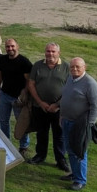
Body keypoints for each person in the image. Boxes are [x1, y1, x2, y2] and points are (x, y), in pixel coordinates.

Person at [60, 58, 97, 191]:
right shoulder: (70, 79)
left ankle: (80, 180)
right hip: (67, 121)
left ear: (85, 67)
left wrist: (89, 124)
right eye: (72, 67)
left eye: (78, 67)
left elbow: (96, 106)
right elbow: (65, 97)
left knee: (79, 152)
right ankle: (75, 173)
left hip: (79, 124)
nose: (74, 69)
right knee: (70, 149)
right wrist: (61, 115)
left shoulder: (90, 83)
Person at [27, 42, 71, 172]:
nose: (50, 54)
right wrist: (40, 103)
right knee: (42, 133)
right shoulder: (38, 65)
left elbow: (70, 89)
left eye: (53, 51)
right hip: (40, 107)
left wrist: (57, 105)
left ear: (59, 53)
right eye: (48, 51)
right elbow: (31, 85)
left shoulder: (67, 67)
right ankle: (40, 155)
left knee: (59, 134)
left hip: (59, 109)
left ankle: (60, 159)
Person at [0, 38, 33, 156]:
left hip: (18, 99)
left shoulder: (24, 62)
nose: (10, 48)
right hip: (4, 95)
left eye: (12, 46)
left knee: (21, 123)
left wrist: (25, 92)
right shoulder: (2, 60)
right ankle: (6, 143)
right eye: (8, 46)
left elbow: (29, 80)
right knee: (3, 121)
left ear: (17, 46)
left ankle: (23, 146)